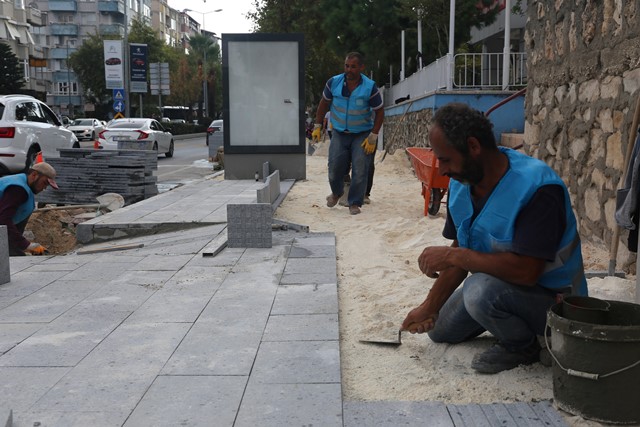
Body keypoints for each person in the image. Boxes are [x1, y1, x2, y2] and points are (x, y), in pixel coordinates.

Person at [401, 103, 588, 374]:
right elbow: (462, 249)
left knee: (478, 291)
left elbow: (526, 273)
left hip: (558, 304)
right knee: (440, 330)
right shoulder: (461, 182)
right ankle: (503, 321)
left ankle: (523, 346)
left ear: (473, 147)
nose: (441, 170)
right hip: (502, 291)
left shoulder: (537, 187)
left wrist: (453, 255)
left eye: (445, 159)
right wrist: (428, 307)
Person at [312, 52, 384, 215]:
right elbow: (324, 104)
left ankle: (354, 202)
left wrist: (373, 135)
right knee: (334, 166)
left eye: (353, 67)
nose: (349, 70)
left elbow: (380, 112)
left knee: (360, 167)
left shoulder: (369, 86)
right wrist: (317, 125)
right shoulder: (334, 83)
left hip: (362, 133)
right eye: (346, 66)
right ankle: (337, 192)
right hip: (339, 131)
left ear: (361, 67)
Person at [0, 162, 59, 256]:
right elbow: (3, 219)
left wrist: (19, 247)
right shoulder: (18, 189)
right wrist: (26, 245)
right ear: (34, 175)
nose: (44, 188)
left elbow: (13, 224)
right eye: (44, 183)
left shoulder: (25, 189)